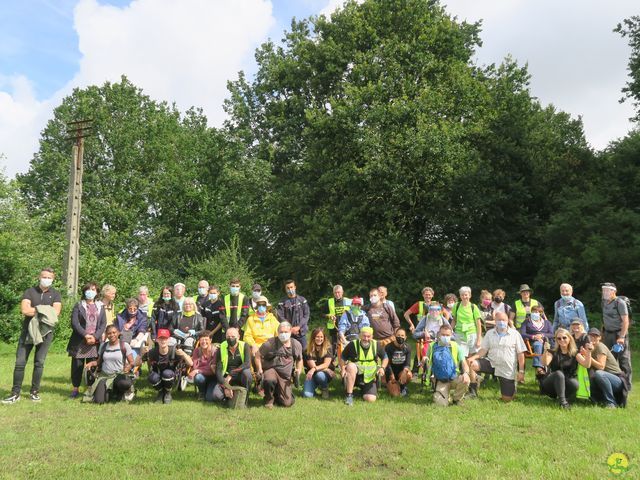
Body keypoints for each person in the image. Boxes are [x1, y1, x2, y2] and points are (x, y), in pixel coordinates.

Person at [3, 268, 62, 404]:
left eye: (49, 277)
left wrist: (35, 309)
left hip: (46, 333)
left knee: (39, 363)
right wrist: (45, 310)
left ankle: (34, 392)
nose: (46, 279)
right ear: (39, 277)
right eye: (44, 276)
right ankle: (15, 393)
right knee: (20, 363)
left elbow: (56, 313)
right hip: (27, 332)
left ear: (53, 279)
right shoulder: (29, 291)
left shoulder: (56, 294)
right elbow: (24, 310)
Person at [467, 312, 526, 401]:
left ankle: (512, 389)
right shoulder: (490, 333)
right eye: (499, 320)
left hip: (507, 369)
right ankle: (473, 391)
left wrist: (521, 371)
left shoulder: (515, 334)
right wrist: (473, 357)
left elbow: (520, 354)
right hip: (491, 363)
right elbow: (483, 350)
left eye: (504, 320)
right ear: (495, 321)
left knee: (507, 399)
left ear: (507, 321)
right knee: (472, 364)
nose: (501, 322)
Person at [67, 282, 107, 399]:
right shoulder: (79, 305)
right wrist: (85, 335)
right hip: (80, 341)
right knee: (77, 366)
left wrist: (95, 336)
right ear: (84, 291)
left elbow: (103, 323)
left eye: (93, 289)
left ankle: (90, 388)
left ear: (97, 292)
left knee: (92, 366)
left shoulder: (100, 306)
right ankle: (75, 388)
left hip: (94, 341)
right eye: (88, 289)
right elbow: (74, 323)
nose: (91, 292)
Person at [539, 327, 591, 408]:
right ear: (556, 340)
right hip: (551, 383)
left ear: (569, 338)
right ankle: (563, 402)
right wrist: (545, 350)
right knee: (559, 374)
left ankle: (563, 397)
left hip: (567, 381)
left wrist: (589, 352)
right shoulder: (552, 352)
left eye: (564, 337)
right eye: (559, 338)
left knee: (575, 384)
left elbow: (586, 365)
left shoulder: (575, 353)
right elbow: (545, 363)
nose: (562, 340)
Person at [255, 322, 303, 408]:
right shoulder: (270, 343)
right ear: (277, 332)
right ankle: (269, 400)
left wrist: (298, 370)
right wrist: (259, 369)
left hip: (285, 376)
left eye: (286, 332)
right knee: (269, 379)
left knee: (287, 403)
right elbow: (257, 355)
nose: (283, 334)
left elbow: (299, 359)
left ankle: (278, 393)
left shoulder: (296, 344)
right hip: (271, 369)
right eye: (281, 332)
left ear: (290, 332)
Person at [83, 325, 135, 404]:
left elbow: (132, 362)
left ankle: (120, 392)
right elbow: (99, 362)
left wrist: (128, 367)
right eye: (109, 333)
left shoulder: (124, 345)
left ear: (118, 333)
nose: (112, 335)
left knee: (124, 383)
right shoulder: (103, 346)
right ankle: (111, 393)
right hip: (105, 376)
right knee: (99, 401)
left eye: (114, 332)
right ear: (106, 335)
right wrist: (91, 363)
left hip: (119, 375)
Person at [340, 327, 388, 405]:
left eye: (368, 336)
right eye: (364, 336)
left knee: (370, 399)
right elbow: (343, 357)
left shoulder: (376, 344)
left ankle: (364, 390)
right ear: (360, 336)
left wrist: (382, 368)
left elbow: (385, 358)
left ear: (372, 337)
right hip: (355, 374)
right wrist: (342, 368)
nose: (366, 338)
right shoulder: (353, 344)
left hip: (370, 376)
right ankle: (349, 395)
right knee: (351, 366)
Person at [144, 328, 192, 404]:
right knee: (152, 377)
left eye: (165, 339)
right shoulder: (153, 352)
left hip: (170, 375)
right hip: (158, 374)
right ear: (157, 340)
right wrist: (142, 354)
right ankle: (160, 392)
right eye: (161, 339)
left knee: (167, 373)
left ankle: (167, 392)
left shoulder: (174, 351)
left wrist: (183, 354)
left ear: (168, 340)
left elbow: (190, 363)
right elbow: (137, 363)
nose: (163, 341)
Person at [427, 324, 470, 407]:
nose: (445, 337)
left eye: (447, 335)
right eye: (443, 335)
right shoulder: (432, 346)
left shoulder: (456, 346)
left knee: (466, 380)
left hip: (454, 377)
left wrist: (466, 373)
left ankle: (456, 399)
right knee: (441, 404)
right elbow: (427, 361)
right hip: (440, 380)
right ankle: (444, 395)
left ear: (451, 336)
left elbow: (464, 362)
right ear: (439, 334)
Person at [587, 328, 629, 408]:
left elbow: (601, 366)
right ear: (587, 336)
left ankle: (611, 403)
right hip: (607, 379)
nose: (593, 337)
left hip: (618, 380)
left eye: (596, 336)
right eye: (591, 335)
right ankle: (598, 400)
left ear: (600, 337)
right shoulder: (590, 347)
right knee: (591, 373)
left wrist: (588, 356)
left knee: (599, 374)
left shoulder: (600, 347)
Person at [211, 327, 252, 405]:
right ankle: (229, 397)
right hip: (225, 377)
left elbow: (247, 363)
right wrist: (226, 386)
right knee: (216, 396)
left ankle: (245, 399)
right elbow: (218, 370)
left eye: (233, 337)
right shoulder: (221, 347)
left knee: (247, 373)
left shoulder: (244, 345)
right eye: (228, 337)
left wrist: (231, 374)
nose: (230, 339)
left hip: (240, 375)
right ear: (225, 337)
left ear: (238, 337)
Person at [601, 282, 632, 383]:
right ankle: (613, 382)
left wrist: (622, 337)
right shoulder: (604, 302)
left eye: (607, 290)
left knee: (624, 360)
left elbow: (625, 321)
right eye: (603, 290)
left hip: (619, 334)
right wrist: (602, 334)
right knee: (609, 359)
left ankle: (626, 384)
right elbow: (605, 318)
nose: (604, 292)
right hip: (607, 334)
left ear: (614, 291)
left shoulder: (620, 303)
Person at [519, 304, 554, 375]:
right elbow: (522, 334)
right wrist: (534, 337)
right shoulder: (526, 322)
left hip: (546, 341)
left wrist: (542, 335)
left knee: (555, 347)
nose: (535, 313)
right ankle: (539, 367)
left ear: (541, 313)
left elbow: (552, 334)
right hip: (532, 341)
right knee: (538, 344)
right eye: (533, 312)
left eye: (537, 312)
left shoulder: (547, 323)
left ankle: (554, 368)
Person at [449, 286, 482, 359]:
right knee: (461, 355)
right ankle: (464, 370)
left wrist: (479, 338)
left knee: (471, 355)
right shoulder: (456, 306)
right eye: (462, 295)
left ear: (470, 295)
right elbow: (454, 320)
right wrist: (449, 331)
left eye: (466, 295)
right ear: (460, 296)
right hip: (459, 334)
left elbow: (478, 324)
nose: (464, 297)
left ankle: (469, 370)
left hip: (472, 334)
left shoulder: (474, 307)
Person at [276, 279, 310, 349]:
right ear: (285, 289)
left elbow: (306, 315)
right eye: (288, 288)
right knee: (289, 354)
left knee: (305, 352)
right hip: (288, 333)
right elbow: (280, 317)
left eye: (291, 287)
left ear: (295, 287)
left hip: (301, 332)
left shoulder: (302, 300)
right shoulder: (282, 302)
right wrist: (290, 328)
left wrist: (298, 327)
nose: (290, 289)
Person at [302, 328, 335, 399]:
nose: (319, 339)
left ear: (324, 338)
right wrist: (325, 369)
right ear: (313, 337)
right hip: (312, 375)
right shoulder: (307, 350)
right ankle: (314, 387)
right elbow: (313, 366)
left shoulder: (328, 348)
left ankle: (324, 388)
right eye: (317, 336)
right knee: (307, 395)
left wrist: (314, 369)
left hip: (324, 375)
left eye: (321, 337)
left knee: (319, 375)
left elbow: (326, 364)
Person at [188, 330, 217, 400]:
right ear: (199, 341)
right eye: (202, 340)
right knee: (198, 377)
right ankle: (202, 392)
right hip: (202, 377)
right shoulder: (196, 351)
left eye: (206, 339)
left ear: (211, 340)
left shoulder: (216, 351)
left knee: (210, 399)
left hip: (214, 378)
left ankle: (208, 390)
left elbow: (213, 370)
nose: (204, 342)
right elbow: (195, 367)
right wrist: (199, 370)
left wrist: (198, 370)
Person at [323, 285, 351, 353]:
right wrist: (329, 316)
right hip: (333, 327)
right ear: (333, 293)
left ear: (342, 292)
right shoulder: (329, 301)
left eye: (339, 292)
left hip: (346, 327)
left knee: (346, 344)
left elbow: (354, 313)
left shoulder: (348, 301)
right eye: (335, 293)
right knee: (334, 346)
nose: (337, 294)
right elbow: (323, 314)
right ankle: (332, 361)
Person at [384, 329, 412, 397]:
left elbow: (407, 364)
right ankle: (391, 385)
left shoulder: (408, 347)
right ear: (395, 336)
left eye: (402, 335)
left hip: (401, 372)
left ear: (405, 337)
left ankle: (403, 387)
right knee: (395, 395)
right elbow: (388, 364)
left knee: (409, 375)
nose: (400, 337)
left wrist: (405, 372)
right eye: (398, 335)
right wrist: (392, 376)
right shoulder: (388, 347)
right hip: (390, 373)